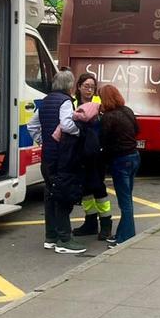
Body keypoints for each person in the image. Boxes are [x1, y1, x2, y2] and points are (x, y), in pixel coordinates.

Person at [26, 70, 86, 254]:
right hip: (62, 156)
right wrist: (80, 131)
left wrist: (43, 141)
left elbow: (32, 125)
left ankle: (51, 237)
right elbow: (67, 125)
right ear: (69, 85)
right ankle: (64, 240)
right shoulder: (65, 101)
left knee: (50, 194)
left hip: (48, 155)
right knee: (62, 195)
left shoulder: (45, 101)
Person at [71, 72, 112, 240]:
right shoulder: (72, 103)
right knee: (85, 189)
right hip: (79, 153)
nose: (89, 90)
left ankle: (106, 224)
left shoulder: (99, 105)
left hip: (96, 154)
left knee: (98, 188)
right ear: (79, 87)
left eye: (92, 87)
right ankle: (90, 223)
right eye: (86, 86)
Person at [99, 84, 140, 246]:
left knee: (125, 202)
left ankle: (126, 237)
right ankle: (121, 233)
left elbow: (103, 140)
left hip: (120, 159)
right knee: (127, 197)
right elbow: (137, 129)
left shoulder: (108, 117)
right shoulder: (127, 111)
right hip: (134, 156)